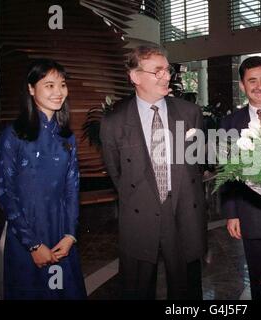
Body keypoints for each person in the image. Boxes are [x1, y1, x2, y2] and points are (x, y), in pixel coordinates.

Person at [100, 45, 207, 300]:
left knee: (186, 290)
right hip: (140, 212)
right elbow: (117, 174)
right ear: (135, 77)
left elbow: (198, 163)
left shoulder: (190, 113)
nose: (166, 76)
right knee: (137, 288)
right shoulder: (114, 123)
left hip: (182, 210)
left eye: (167, 70)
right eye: (157, 71)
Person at [0, 58, 86, 299]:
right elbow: (4, 191)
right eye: (49, 85)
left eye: (63, 85)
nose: (59, 92)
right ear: (30, 88)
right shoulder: (12, 135)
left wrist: (70, 235)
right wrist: (33, 245)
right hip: (24, 231)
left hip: (60, 231)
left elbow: (71, 189)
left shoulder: (67, 138)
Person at [220, 56, 261, 300]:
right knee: (260, 279)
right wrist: (232, 213)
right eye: (252, 81)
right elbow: (226, 172)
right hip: (252, 213)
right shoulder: (229, 123)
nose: (259, 86)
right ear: (242, 85)